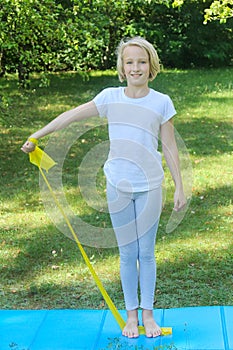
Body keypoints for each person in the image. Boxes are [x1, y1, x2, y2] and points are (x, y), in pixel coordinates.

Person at [21, 37, 186, 339]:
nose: (136, 67)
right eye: (130, 61)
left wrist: (179, 188)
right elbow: (70, 116)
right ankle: (132, 317)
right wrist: (37, 134)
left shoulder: (162, 102)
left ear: (151, 66)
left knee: (146, 253)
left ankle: (149, 315)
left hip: (150, 186)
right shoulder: (110, 97)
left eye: (142, 61)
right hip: (118, 186)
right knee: (127, 253)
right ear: (122, 67)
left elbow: (170, 147)